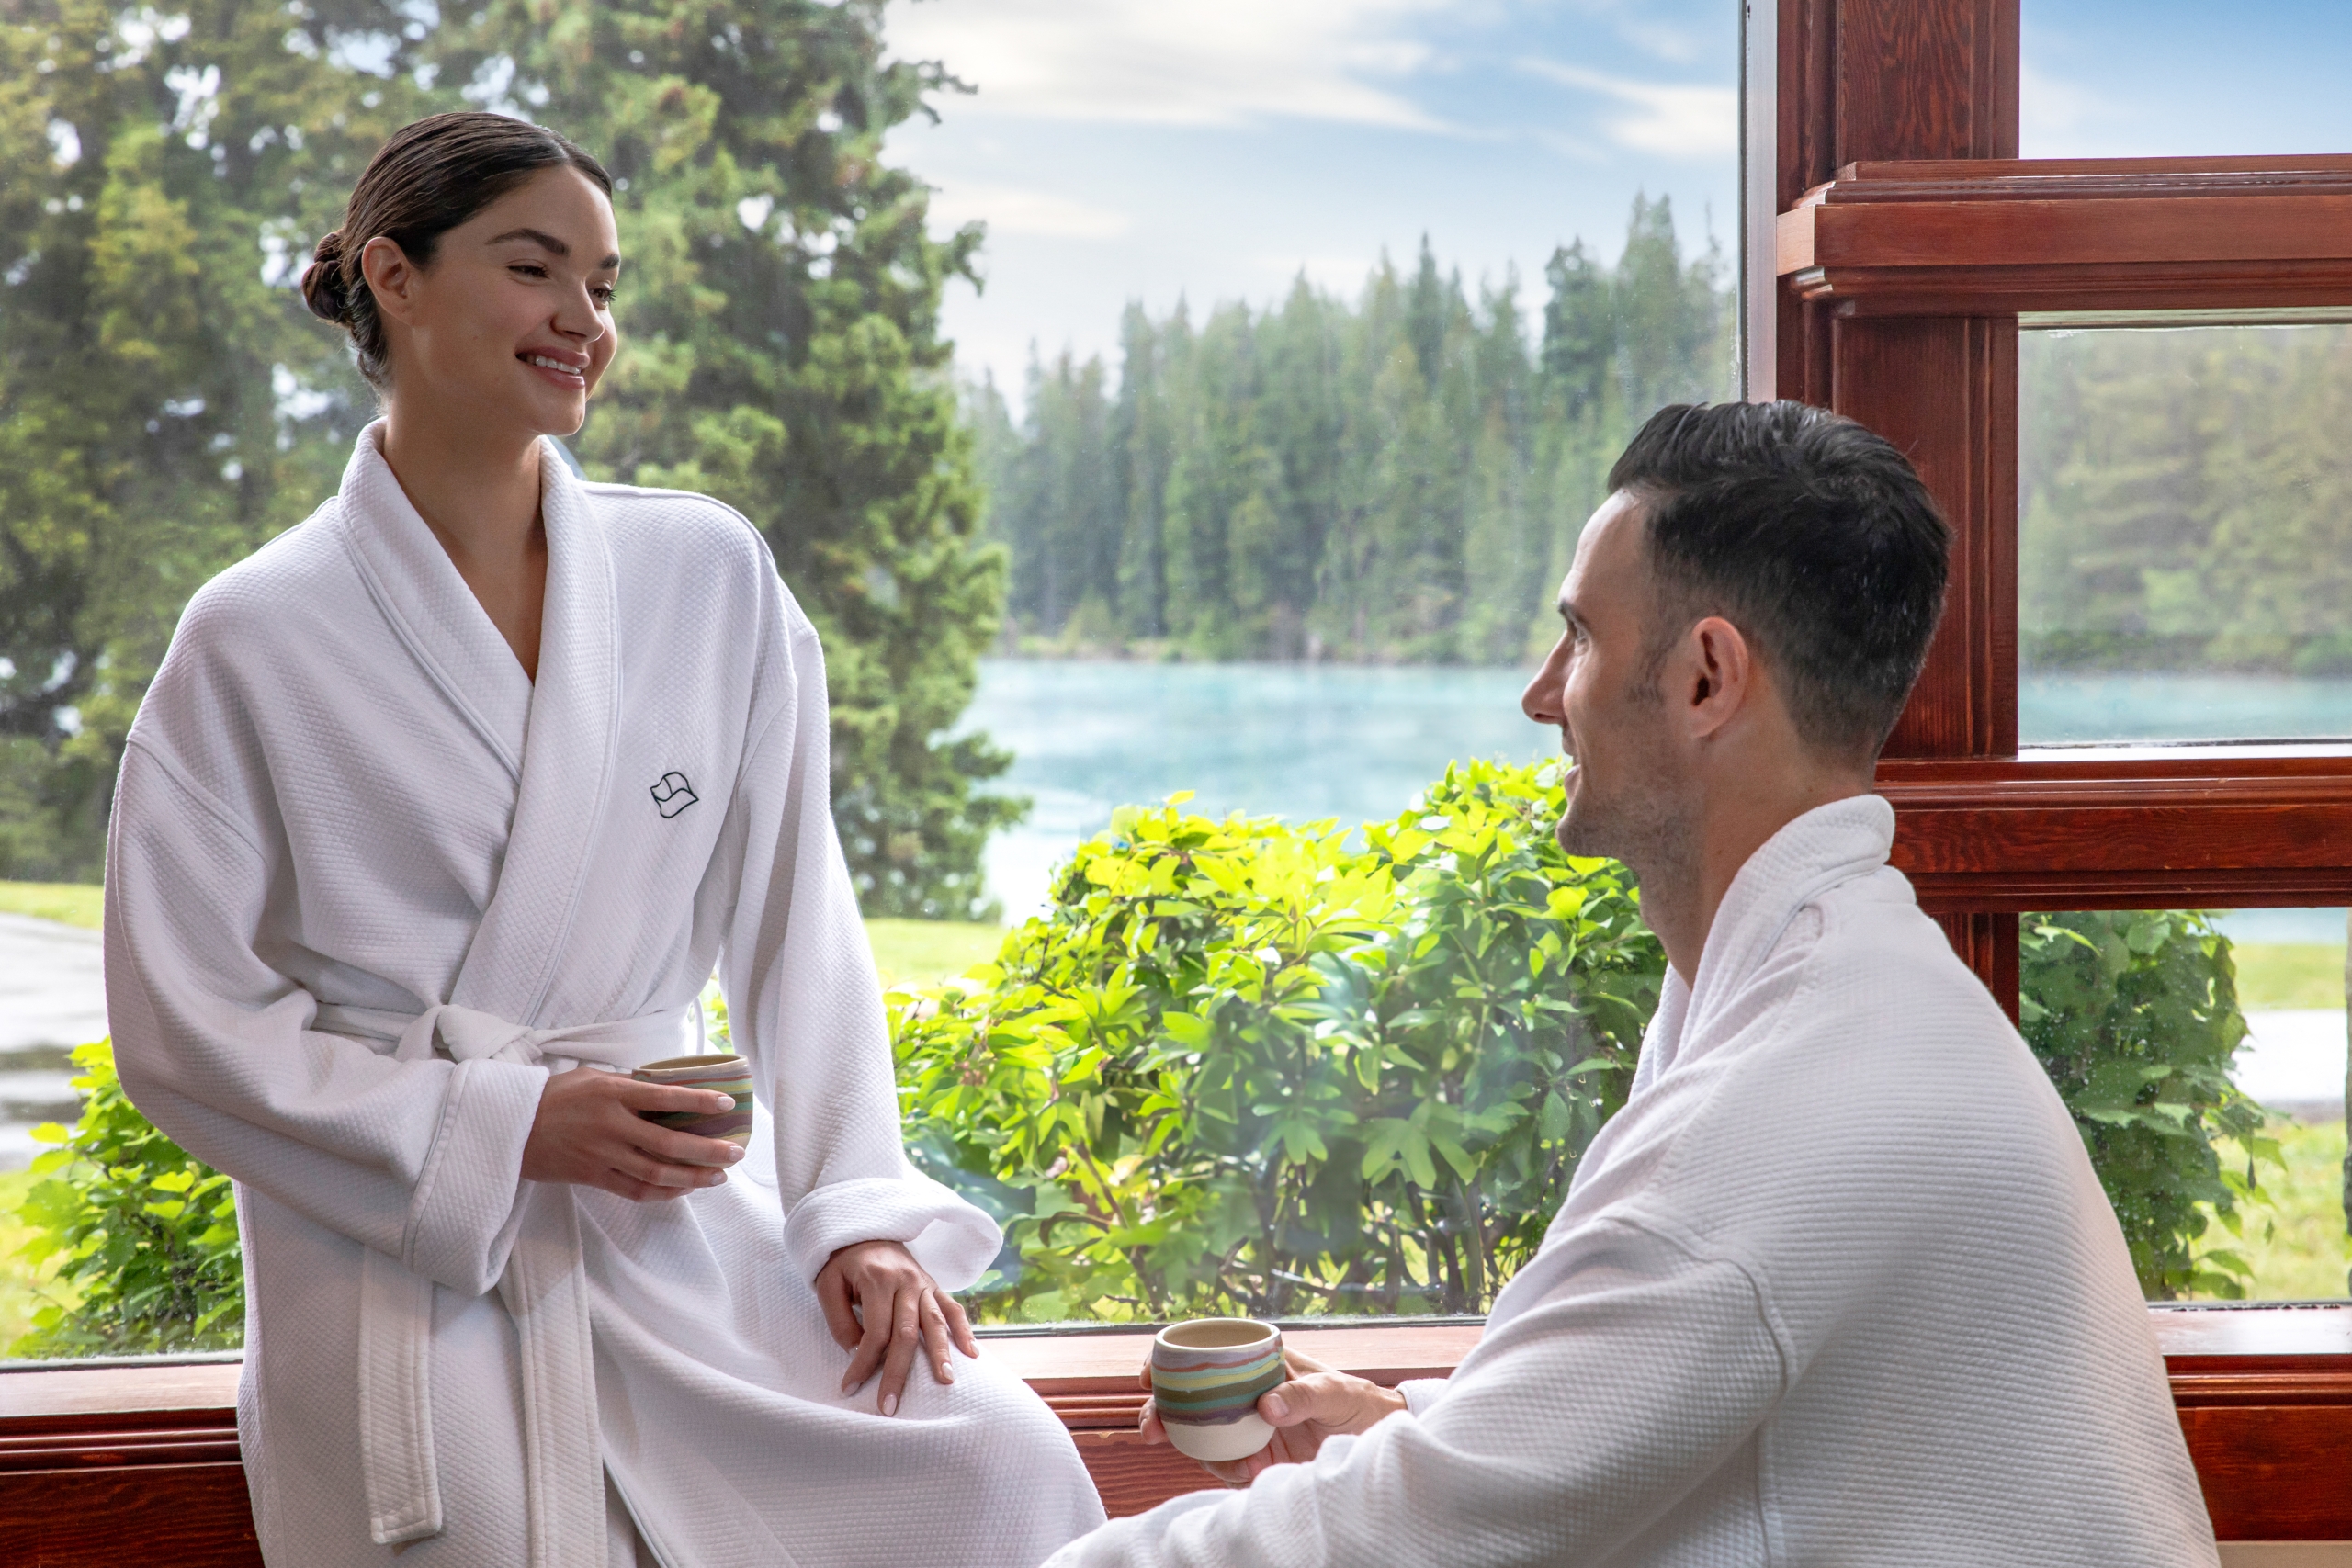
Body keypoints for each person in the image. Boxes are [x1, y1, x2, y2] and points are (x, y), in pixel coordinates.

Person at [103, 111, 1103, 1568]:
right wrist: (503, 1129)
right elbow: (184, 1025)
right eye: (535, 268)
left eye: (606, 284)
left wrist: (849, 1213)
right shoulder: (255, 634)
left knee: (991, 1458)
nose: (585, 320)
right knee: (490, 1541)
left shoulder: (704, 573)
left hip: (667, 1212)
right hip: (411, 1242)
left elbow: (793, 923)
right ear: (394, 274)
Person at [1045, 401, 2220, 1567]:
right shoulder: (1836, 987)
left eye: (1581, 639)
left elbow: (1402, 1542)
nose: (1543, 693)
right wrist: (1410, 1431)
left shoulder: (1785, 1101)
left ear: (1708, 678)